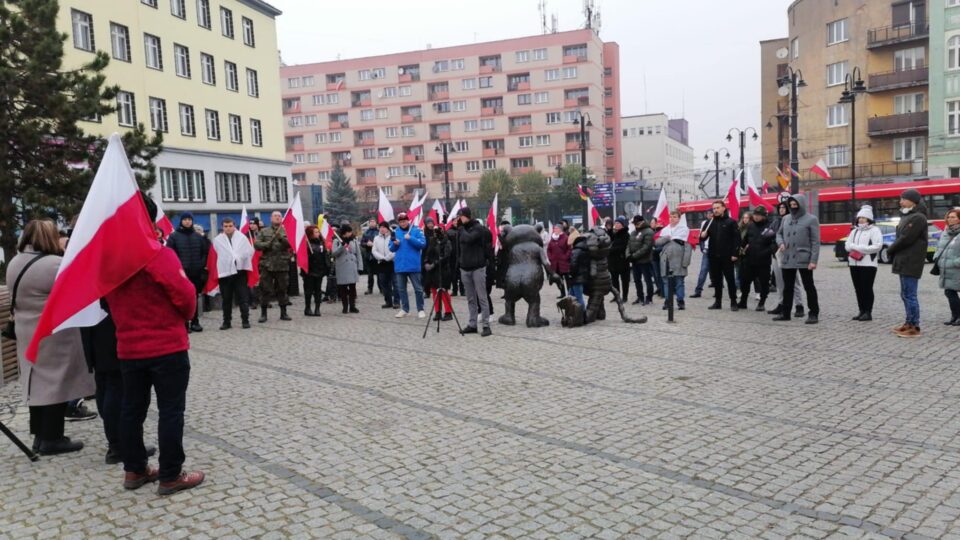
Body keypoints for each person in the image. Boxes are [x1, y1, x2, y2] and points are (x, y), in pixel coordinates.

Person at [105, 195, 204, 495]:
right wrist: (183, 316)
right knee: (171, 411)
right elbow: (186, 297)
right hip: (166, 347)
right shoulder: (157, 255)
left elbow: (106, 303)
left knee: (131, 410)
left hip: (129, 348)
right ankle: (171, 475)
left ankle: (134, 469)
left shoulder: (111, 261)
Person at [6, 220, 95, 455]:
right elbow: (80, 287)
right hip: (52, 333)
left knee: (36, 384)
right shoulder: (53, 265)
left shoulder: (15, 262)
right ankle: (52, 439)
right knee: (55, 385)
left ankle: (39, 436)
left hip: (26, 330)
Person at [81, 300, 156, 464]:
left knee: (105, 381)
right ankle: (121, 445)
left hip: (91, 319)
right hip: (108, 322)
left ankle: (118, 443)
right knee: (115, 383)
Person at [887, 188, 928, 337]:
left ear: (912, 200)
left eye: (903, 198)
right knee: (905, 294)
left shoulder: (918, 218)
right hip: (903, 260)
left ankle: (914, 327)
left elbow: (906, 238)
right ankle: (908, 322)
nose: (900, 201)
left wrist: (890, 249)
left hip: (912, 261)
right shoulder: (906, 216)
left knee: (910, 295)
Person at [774, 194, 821, 324]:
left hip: (804, 258)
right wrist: (781, 243)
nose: (793, 207)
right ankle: (786, 313)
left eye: (795, 205)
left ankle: (813, 313)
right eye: (791, 205)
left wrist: (813, 261)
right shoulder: (786, 218)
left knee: (808, 286)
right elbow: (779, 234)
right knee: (787, 287)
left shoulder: (811, 219)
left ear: (801, 205)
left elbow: (815, 242)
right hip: (788, 258)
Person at [165, 213, 209, 332]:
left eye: (189, 219)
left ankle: (195, 322)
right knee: (182, 298)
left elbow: (205, 252)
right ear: (181, 221)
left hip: (196, 272)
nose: (187, 222)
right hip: (181, 274)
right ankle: (184, 324)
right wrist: (178, 268)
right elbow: (170, 254)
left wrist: (201, 265)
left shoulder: (198, 237)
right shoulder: (174, 237)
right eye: (185, 219)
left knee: (194, 298)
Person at [212, 218, 253, 330]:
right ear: (222, 227)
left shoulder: (242, 238)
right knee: (226, 299)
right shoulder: (217, 240)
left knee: (243, 297)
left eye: (230, 226)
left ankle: (245, 320)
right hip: (225, 273)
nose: (228, 228)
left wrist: (238, 257)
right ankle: (226, 321)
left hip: (240, 272)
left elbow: (249, 252)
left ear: (234, 226)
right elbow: (215, 255)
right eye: (226, 226)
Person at [844, 205, 884, 321]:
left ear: (869, 219)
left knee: (867, 288)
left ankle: (868, 312)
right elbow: (847, 245)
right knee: (858, 288)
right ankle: (861, 310)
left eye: (864, 218)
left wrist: (857, 248)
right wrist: (854, 247)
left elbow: (877, 246)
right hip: (854, 263)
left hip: (868, 264)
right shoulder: (854, 231)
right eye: (859, 217)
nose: (861, 220)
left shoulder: (875, 230)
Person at [457, 208, 492, 336]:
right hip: (465, 268)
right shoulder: (461, 230)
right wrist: (459, 263)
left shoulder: (478, 228)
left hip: (478, 267)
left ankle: (486, 325)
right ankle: (472, 324)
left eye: (460, 217)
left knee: (482, 297)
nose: (459, 219)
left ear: (466, 216)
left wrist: (461, 230)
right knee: (470, 298)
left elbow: (469, 239)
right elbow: (459, 247)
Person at [767, 201, 806, 318]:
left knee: (794, 282)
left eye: (784, 207)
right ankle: (781, 304)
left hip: (790, 254)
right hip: (776, 253)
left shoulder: (793, 220)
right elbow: (769, 235)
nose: (781, 209)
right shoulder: (776, 221)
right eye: (780, 208)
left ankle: (799, 306)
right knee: (779, 282)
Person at [700, 201, 740, 311]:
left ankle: (733, 301)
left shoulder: (731, 222)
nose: (715, 210)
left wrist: (734, 254)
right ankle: (718, 302)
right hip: (713, 256)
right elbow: (703, 238)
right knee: (717, 281)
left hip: (727, 256)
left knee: (730, 280)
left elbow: (737, 239)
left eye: (717, 208)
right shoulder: (710, 222)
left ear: (723, 208)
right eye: (714, 208)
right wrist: (703, 236)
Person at [254, 211, 292, 323]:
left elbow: (290, 244)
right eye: (275, 216)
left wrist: (281, 238)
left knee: (282, 289)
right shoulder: (264, 231)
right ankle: (263, 314)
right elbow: (256, 245)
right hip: (267, 265)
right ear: (271, 218)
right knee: (265, 289)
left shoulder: (286, 230)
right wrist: (266, 245)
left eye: (279, 216)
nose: (277, 218)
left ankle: (283, 313)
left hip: (282, 264)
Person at [390, 212, 427, 318]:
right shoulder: (395, 232)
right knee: (401, 289)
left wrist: (410, 238)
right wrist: (394, 244)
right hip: (400, 265)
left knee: (418, 289)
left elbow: (422, 244)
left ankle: (420, 309)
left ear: (408, 220)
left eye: (404, 221)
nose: (402, 223)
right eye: (400, 221)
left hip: (413, 265)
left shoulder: (416, 230)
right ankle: (405, 309)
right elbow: (391, 248)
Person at [738, 206, 776, 311]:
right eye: (755, 215)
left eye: (758, 215)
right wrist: (740, 248)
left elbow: (774, 244)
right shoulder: (751, 226)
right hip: (749, 260)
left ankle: (762, 302)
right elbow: (745, 240)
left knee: (764, 283)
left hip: (763, 261)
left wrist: (766, 252)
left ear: (764, 216)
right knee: (745, 282)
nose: (756, 217)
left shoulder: (770, 227)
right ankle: (743, 302)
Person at [656, 211, 693, 310]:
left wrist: (685, 262)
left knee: (679, 282)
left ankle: (680, 301)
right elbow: (657, 242)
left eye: (674, 217)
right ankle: (668, 300)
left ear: (679, 218)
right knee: (666, 282)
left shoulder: (684, 229)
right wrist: (666, 239)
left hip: (678, 260)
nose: (672, 218)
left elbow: (688, 246)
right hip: (665, 260)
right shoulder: (665, 230)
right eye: (670, 217)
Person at [422, 217, 453, 320]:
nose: (436, 233)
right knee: (435, 291)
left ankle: (448, 312)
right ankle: (437, 312)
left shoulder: (446, 242)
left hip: (443, 269)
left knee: (443, 291)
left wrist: (434, 264)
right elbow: (428, 252)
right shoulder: (432, 241)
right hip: (433, 271)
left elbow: (446, 256)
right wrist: (426, 262)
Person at [933, 208, 960, 325]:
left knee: (953, 292)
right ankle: (955, 316)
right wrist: (936, 257)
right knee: (949, 292)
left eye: (953, 217)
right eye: (949, 217)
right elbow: (939, 247)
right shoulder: (945, 231)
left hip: (957, 268)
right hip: (946, 269)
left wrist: (955, 262)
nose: (950, 219)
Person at [332, 224, 363, 314]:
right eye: (349, 232)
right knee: (343, 288)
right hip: (342, 267)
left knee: (353, 288)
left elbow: (358, 253)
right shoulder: (336, 241)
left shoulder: (354, 240)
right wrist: (341, 246)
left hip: (352, 266)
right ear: (344, 233)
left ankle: (352, 306)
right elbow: (334, 253)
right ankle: (345, 306)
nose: (350, 233)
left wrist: (360, 267)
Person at [626, 215, 655, 305]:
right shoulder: (633, 233)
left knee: (647, 280)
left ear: (642, 222)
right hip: (635, 261)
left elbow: (646, 247)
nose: (636, 225)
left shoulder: (649, 232)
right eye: (635, 223)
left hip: (645, 260)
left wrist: (634, 256)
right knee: (636, 280)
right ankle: (640, 296)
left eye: (637, 223)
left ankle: (649, 297)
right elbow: (628, 245)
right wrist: (628, 255)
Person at [301, 225, 328, 317]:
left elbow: (325, 255)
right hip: (309, 271)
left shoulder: (321, 243)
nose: (318, 233)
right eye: (315, 232)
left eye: (318, 232)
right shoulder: (306, 243)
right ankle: (307, 308)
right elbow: (302, 257)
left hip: (319, 270)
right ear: (310, 234)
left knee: (318, 290)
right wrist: (309, 257)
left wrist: (326, 267)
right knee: (308, 291)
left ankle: (317, 308)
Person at [372, 221, 399, 309]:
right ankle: (388, 301)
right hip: (381, 263)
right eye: (380, 227)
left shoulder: (393, 236)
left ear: (387, 228)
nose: (382, 229)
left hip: (392, 262)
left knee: (395, 283)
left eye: (384, 227)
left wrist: (388, 257)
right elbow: (374, 250)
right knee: (384, 283)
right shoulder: (376, 238)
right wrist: (382, 258)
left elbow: (396, 249)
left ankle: (396, 302)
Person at [608, 217, 631, 302]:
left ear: (622, 225)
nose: (616, 225)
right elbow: (609, 241)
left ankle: (625, 297)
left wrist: (611, 250)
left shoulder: (626, 234)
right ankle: (616, 296)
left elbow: (623, 247)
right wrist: (610, 230)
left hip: (622, 261)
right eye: (616, 223)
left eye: (618, 223)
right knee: (614, 280)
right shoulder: (614, 234)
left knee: (624, 281)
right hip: (613, 262)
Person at [691, 210, 713, 298]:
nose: (710, 215)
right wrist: (702, 247)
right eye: (708, 213)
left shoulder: (717, 222)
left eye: (711, 213)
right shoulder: (705, 223)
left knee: (718, 272)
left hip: (716, 251)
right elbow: (701, 236)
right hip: (707, 250)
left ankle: (718, 290)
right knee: (703, 271)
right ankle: (698, 290)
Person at [547, 223, 571, 298]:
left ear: (560, 230)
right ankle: (562, 293)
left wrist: (565, 257)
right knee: (558, 279)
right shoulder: (552, 239)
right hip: (555, 263)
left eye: (556, 229)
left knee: (568, 280)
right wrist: (550, 258)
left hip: (564, 263)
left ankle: (570, 293)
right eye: (554, 229)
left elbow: (569, 249)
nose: (554, 230)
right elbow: (549, 250)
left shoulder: (565, 237)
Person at [245, 217, 263, 309]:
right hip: (252, 261)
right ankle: (254, 301)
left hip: (262, 261)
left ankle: (264, 300)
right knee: (252, 282)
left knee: (263, 282)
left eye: (254, 224)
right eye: (250, 224)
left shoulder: (262, 234)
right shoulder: (246, 235)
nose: (252, 226)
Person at [568, 235, 589, 307]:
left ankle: (583, 315)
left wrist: (570, 274)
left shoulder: (576, 251)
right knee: (571, 296)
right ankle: (573, 314)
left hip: (575, 277)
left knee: (578, 297)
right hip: (581, 277)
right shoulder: (585, 250)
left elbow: (573, 264)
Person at [361, 218, 379, 295]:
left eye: (373, 222)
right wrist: (366, 244)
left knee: (379, 274)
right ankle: (369, 289)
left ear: (376, 223)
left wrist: (374, 244)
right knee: (370, 274)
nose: (371, 223)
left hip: (378, 256)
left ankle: (382, 288)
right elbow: (362, 243)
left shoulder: (379, 232)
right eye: (370, 222)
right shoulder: (366, 233)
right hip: (368, 255)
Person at [445, 220, 463, 296]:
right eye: (454, 221)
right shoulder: (449, 231)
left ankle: (463, 290)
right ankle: (455, 290)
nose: (456, 223)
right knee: (453, 274)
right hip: (452, 256)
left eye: (457, 221)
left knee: (462, 274)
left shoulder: (463, 230)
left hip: (462, 255)